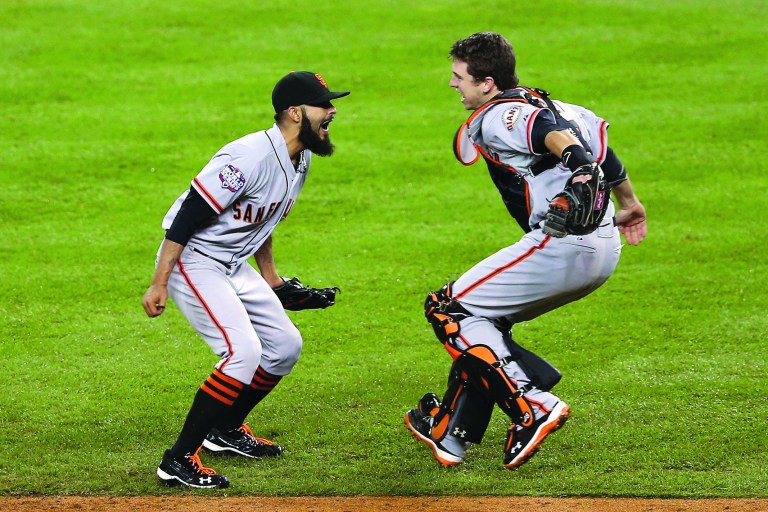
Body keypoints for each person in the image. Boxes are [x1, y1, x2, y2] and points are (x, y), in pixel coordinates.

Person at [404, 32, 647, 470]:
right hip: (604, 243)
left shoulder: (503, 114)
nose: (453, 84)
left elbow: (545, 134)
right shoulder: (557, 104)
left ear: (488, 82)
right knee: (482, 320)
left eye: (459, 77)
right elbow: (604, 155)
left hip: (561, 245)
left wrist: (574, 160)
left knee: (448, 309)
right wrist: (629, 203)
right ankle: (450, 431)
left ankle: (530, 403)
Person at [141, 71, 350, 489]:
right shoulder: (248, 158)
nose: (332, 110)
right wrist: (159, 281)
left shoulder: (300, 157)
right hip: (194, 261)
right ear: (295, 113)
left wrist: (272, 281)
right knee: (242, 353)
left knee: (285, 347)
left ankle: (226, 430)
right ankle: (178, 459)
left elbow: (264, 220)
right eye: (323, 104)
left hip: (233, 264)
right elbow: (187, 218)